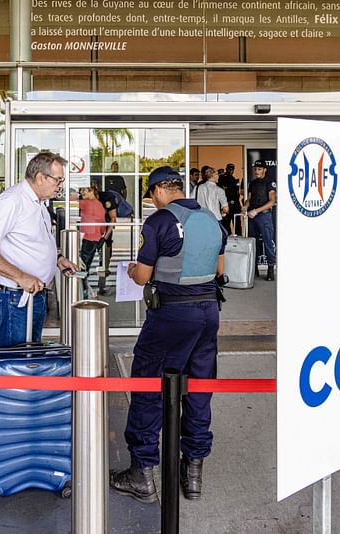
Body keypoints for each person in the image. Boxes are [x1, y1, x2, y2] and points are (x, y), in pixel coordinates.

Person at [109, 166, 227, 503]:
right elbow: (219, 270)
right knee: (199, 388)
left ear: (161, 189)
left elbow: (144, 276)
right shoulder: (212, 219)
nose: (153, 201)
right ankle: (192, 475)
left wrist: (133, 269)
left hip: (172, 315)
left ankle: (142, 474)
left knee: (148, 384)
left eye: (152, 195)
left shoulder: (159, 221)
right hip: (208, 314)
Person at [0, 152, 79, 346]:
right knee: (16, 363)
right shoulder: (12, 201)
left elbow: (36, 241)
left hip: (35, 295)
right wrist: (21, 277)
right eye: (58, 180)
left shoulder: (39, 203)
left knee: (30, 357)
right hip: (14, 298)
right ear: (40, 177)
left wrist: (59, 258)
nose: (61, 185)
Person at [243, 160, 277, 281]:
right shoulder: (252, 183)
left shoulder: (270, 182)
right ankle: (254, 268)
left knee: (268, 242)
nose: (257, 171)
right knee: (252, 243)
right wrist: (245, 206)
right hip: (252, 217)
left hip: (264, 215)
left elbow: (272, 201)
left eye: (259, 169)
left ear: (264, 170)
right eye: (255, 169)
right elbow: (249, 199)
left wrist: (256, 210)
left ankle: (270, 269)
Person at [91, 181, 119, 293]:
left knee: (105, 258)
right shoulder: (85, 199)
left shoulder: (108, 197)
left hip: (105, 230)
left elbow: (113, 219)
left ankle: (101, 286)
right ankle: (83, 285)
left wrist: (105, 237)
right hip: (91, 231)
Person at [78, 186, 107, 279]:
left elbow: (71, 200)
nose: (81, 192)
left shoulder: (87, 203)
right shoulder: (99, 205)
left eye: (84, 190)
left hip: (89, 237)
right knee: (87, 264)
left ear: (91, 192)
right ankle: (85, 286)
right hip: (96, 237)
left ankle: (82, 287)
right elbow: (103, 224)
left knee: (82, 264)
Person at [218, 163, 241, 234]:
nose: (231, 171)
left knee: (237, 225)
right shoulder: (222, 178)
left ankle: (238, 238)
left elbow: (236, 193)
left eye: (232, 169)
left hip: (235, 205)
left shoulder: (233, 179)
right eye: (229, 169)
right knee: (226, 224)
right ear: (226, 169)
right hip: (227, 204)